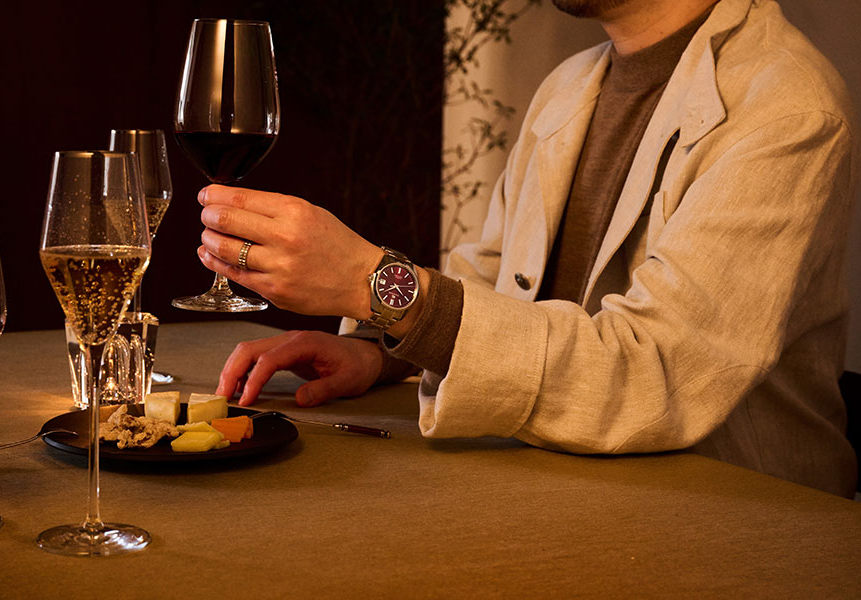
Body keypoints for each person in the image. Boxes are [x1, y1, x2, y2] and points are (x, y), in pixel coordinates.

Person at [195, 0, 858, 497]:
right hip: (563, 487)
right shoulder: (570, 83)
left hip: (737, 521)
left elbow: (659, 375)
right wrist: (377, 348)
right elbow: (495, 280)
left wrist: (378, 285)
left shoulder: (786, 104)